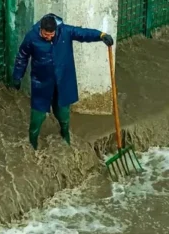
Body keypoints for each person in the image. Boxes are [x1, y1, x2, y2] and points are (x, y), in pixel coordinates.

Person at [12, 13, 114, 150]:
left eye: (51, 34)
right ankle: (32, 144)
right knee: (37, 117)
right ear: (40, 29)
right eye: (45, 34)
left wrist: (101, 36)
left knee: (63, 114)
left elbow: (83, 33)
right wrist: (17, 76)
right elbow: (22, 56)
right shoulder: (31, 38)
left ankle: (65, 134)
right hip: (41, 84)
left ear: (55, 30)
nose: (48, 37)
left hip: (62, 82)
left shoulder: (65, 32)